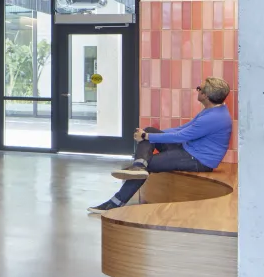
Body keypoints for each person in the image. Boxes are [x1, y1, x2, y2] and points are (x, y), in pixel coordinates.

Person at [89, 77, 232, 215]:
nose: (197, 90)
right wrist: (149, 134)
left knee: (148, 164)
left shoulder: (213, 118)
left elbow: (181, 136)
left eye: (199, 88)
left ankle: (114, 202)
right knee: (150, 131)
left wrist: (146, 137)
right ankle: (138, 166)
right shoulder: (212, 110)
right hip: (188, 151)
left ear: (205, 95)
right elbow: (182, 129)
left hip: (198, 160)